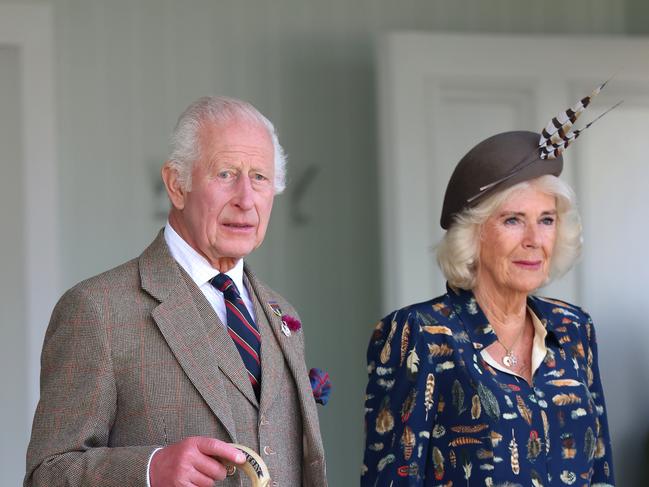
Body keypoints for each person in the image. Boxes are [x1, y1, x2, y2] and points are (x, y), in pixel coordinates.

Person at [25, 97, 327, 487]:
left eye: (260, 177)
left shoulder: (281, 312)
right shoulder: (96, 309)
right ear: (176, 185)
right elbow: (45, 474)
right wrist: (149, 469)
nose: (246, 199)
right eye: (225, 174)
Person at [362, 89, 616, 485]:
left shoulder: (573, 328)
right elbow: (394, 477)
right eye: (514, 219)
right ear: (473, 235)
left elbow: (600, 470)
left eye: (546, 220)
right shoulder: (419, 334)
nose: (534, 239)